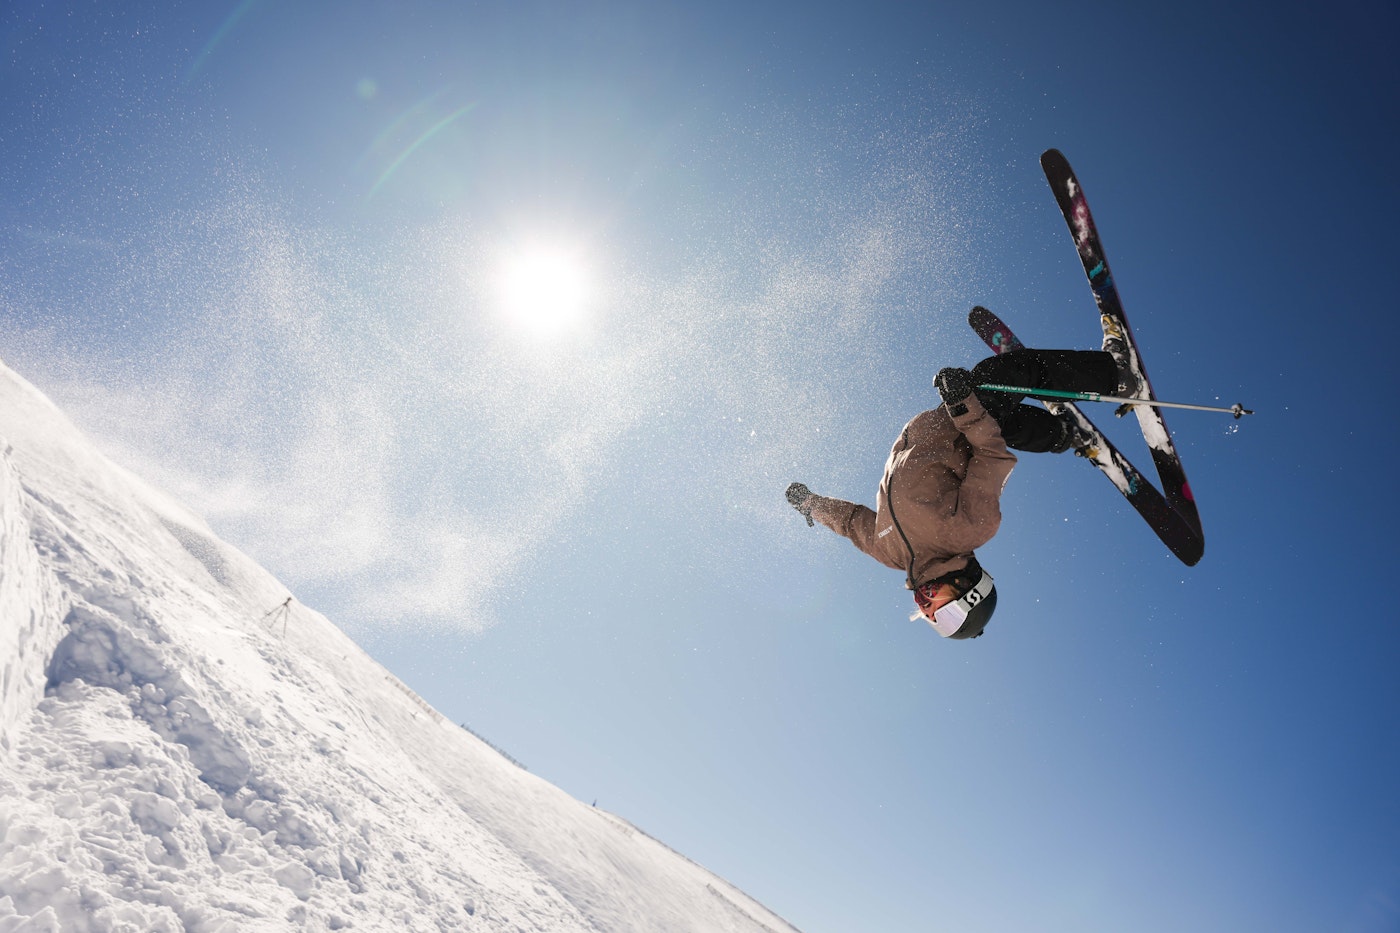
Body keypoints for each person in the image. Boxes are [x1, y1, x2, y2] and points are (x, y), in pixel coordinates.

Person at [786, 344, 1125, 639]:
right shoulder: (968, 530)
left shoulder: (889, 554)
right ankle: (1115, 375)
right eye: (947, 616)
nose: (930, 614)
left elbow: (849, 522)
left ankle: (1060, 434)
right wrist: (964, 404)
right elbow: (992, 456)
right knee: (1002, 377)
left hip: (940, 426)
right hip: (961, 420)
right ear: (968, 589)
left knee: (997, 420)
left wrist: (810, 504)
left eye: (934, 623)